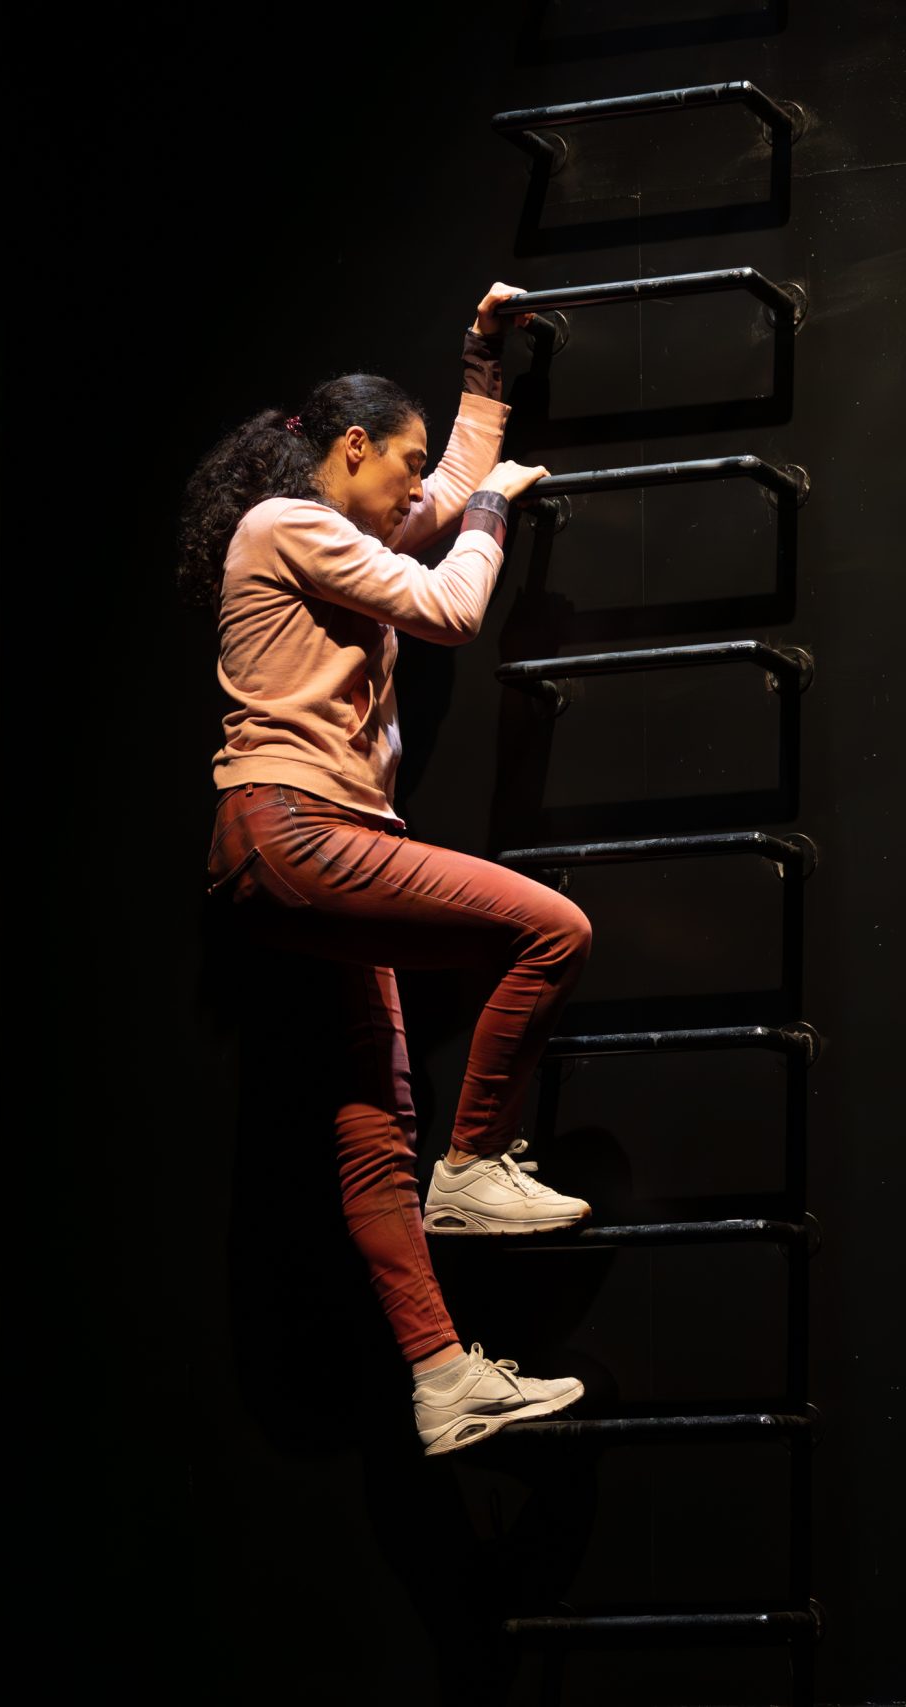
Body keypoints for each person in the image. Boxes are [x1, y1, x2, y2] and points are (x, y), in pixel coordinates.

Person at [179, 282, 595, 1457]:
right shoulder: (286, 523)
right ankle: (472, 1166)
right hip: (300, 831)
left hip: (297, 848)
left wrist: (483, 361)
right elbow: (451, 603)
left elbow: (446, 491)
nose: (417, 493)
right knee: (550, 929)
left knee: (373, 1120)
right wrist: (493, 518)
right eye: (400, 465)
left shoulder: (338, 536)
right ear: (350, 448)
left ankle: (443, 1378)